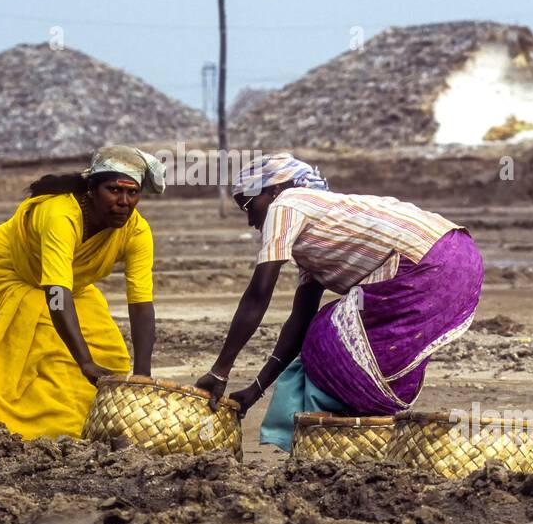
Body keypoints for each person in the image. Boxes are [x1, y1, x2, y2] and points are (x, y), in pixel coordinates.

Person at [196, 153, 483, 451]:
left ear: (273, 191)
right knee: (341, 339)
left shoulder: (287, 203)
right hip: (461, 259)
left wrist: (220, 371)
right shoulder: (322, 224)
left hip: (427, 263)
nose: (250, 220)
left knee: (327, 340)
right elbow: (299, 320)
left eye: (247, 204)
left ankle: (335, 434)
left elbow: (258, 294)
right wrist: (256, 389)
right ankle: (366, 435)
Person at [0, 146, 163, 439]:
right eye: (114, 190)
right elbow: (55, 294)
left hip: (73, 283)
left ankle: (85, 424)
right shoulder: (60, 216)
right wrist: (85, 363)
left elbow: (141, 301)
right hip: (15, 271)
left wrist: (143, 373)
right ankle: (26, 428)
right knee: (38, 353)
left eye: (132, 193)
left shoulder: (137, 231)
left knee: (110, 355)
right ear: (91, 189)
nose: (123, 202)